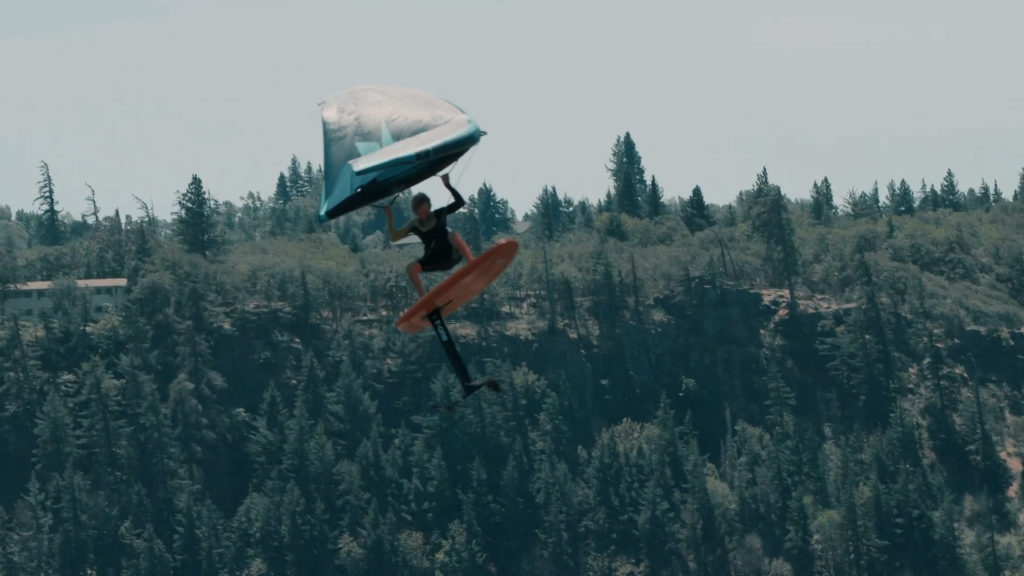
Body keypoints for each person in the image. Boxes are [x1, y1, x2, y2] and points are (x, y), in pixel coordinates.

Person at [383, 173, 475, 297]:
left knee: (453, 234)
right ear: (416, 212)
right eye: (421, 213)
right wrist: (390, 217)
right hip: (433, 260)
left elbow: (460, 203)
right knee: (411, 268)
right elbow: (395, 237)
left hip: (451, 255)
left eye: (426, 211)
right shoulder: (414, 225)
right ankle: (424, 299)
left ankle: (472, 263)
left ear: (430, 207)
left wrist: (448, 185)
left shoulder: (438, 214)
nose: (425, 215)